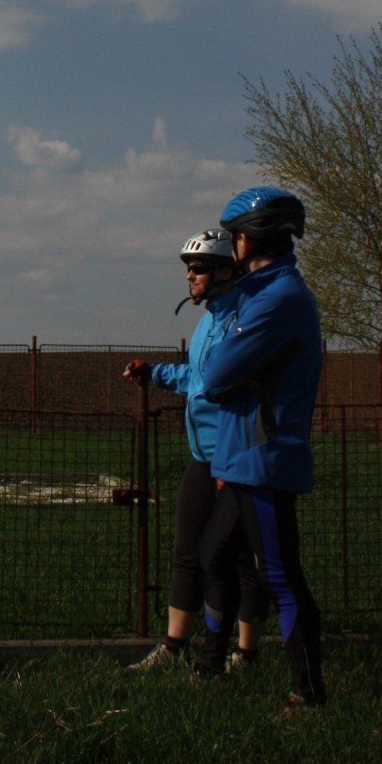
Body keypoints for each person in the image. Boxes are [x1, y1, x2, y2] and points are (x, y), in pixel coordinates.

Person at [190, 187, 326, 704]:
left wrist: (232, 375)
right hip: (243, 457)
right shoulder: (260, 292)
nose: (233, 243)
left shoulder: (278, 298)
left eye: (237, 234)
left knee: (282, 577)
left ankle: (308, 695)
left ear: (254, 237)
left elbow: (217, 374)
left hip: (264, 458)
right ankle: (210, 667)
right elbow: (220, 373)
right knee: (214, 553)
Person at [122, 229, 269, 672]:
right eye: (189, 267)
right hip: (204, 455)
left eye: (200, 267)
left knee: (239, 559)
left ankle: (245, 654)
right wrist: (157, 374)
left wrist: (232, 458)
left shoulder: (244, 319)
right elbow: (198, 379)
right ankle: (172, 648)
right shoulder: (209, 319)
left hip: (238, 455)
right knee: (187, 550)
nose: (190, 275)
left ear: (228, 270)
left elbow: (234, 390)